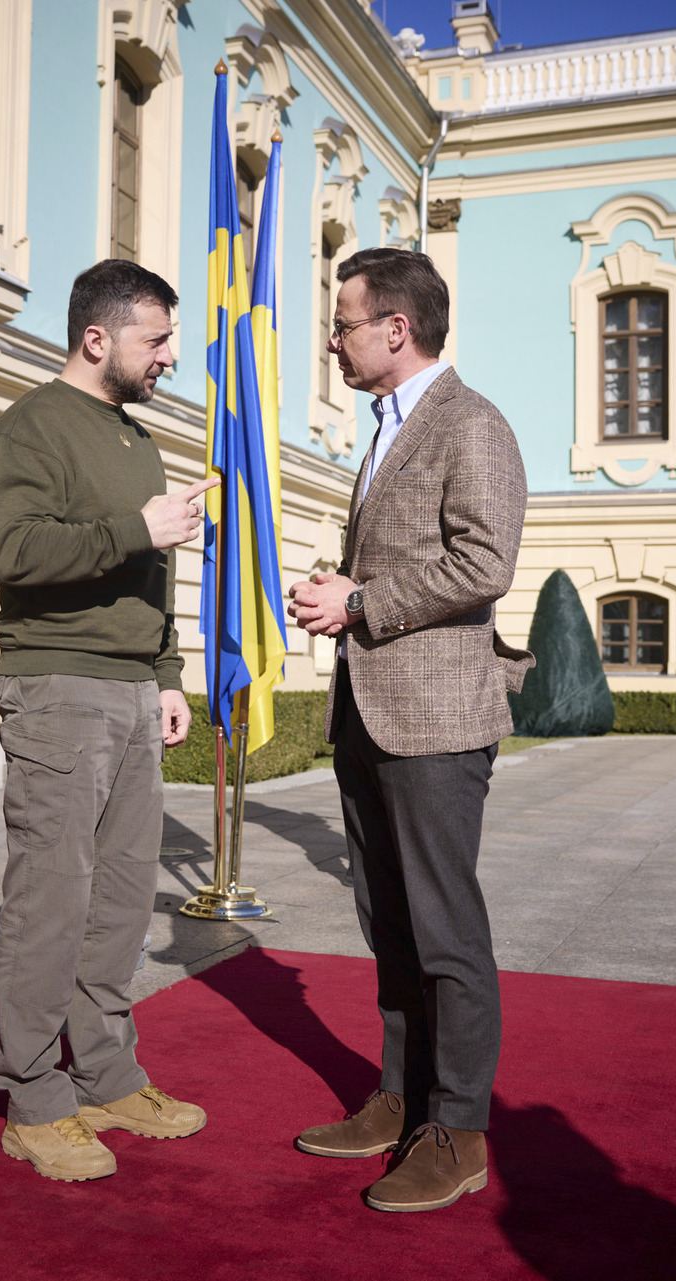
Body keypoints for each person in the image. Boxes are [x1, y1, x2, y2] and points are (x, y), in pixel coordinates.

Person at [288, 247, 531, 1213]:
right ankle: (399, 1098)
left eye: (343, 321)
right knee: (388, 928)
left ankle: (458, 1129)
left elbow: (485, 562)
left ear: (396, 327)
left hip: (435, 717)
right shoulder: (386, 427)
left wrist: (360, 601)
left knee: (445, 932)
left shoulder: (471, 423)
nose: (333, 337)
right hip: (372, 709)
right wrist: (344, 596)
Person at [0, 259, 219, 1183]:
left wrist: (164, 672)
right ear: (96, 337)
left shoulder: (136, 439)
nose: (168, 357)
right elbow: (18, 551)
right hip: (56, 688)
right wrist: (137, 530)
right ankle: (33, 1097)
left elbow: (149, 575)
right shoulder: (30, 429)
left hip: (127, 690)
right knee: (52, 898)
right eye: (154, 339)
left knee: (120, 900)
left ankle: (109, 1074)